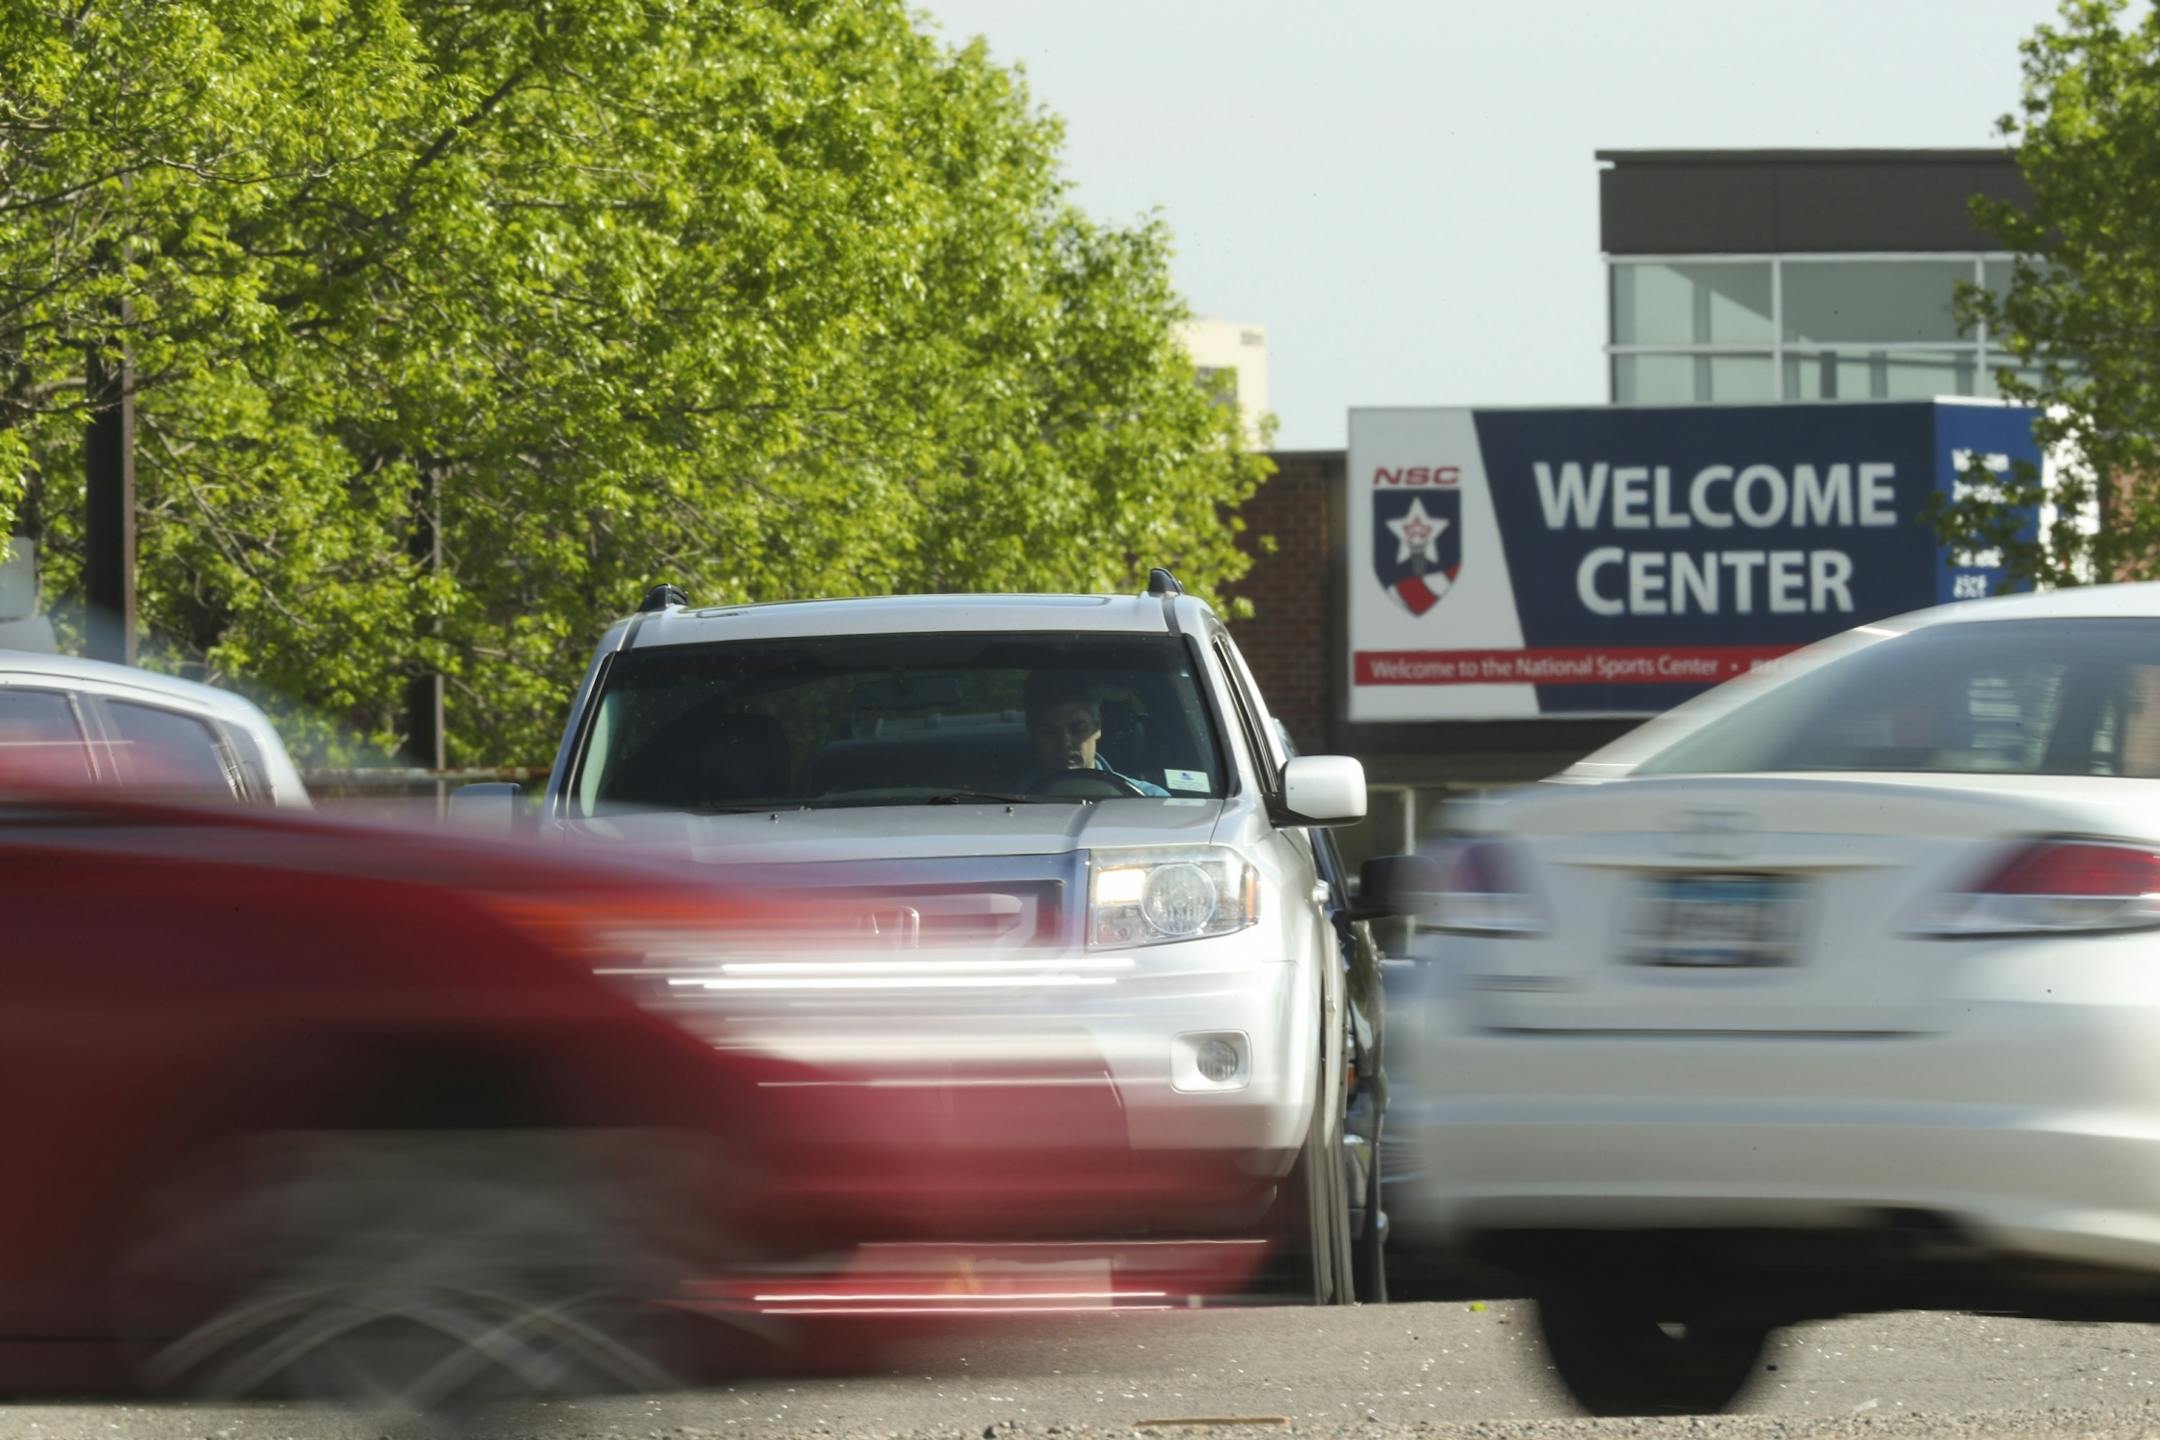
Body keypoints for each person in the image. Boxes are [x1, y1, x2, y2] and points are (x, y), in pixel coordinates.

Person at [1020, 672, 1169, 795]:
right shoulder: (1001, 803)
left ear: (1098, 727)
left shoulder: (1152, 800)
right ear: (1033, 735)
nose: (1065, 743)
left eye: (1077, 729)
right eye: (1049, 732)